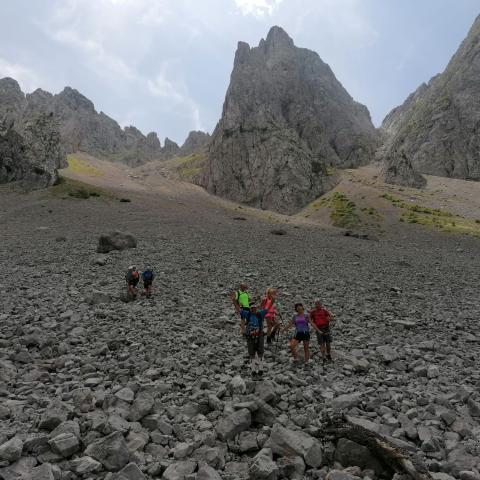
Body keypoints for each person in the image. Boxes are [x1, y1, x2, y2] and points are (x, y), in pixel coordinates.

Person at [240, 305, 268, 378]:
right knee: (252, 354)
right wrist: (234, 301)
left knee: (260, 353)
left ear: (256, 308)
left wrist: (273, 299)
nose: (253, 309)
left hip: (258, 337)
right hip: (251, 337)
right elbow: (238, 310)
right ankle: (253, 371)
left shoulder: (260, 313)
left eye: (254, 308)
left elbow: (268, 307)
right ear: (250, 309)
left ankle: (260, 370)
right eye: (252, 308)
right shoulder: (248, 314)